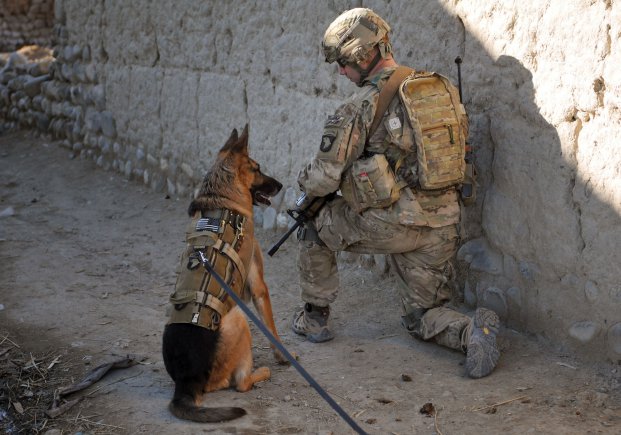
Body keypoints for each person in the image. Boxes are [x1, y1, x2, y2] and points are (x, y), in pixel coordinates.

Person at [291, 7, 500, 378]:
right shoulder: (441, 90)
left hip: (393, 225)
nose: (340, 71)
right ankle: (471, 332)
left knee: (313, 221)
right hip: (445, 225)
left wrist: (303, 186)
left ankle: (315, 320)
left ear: (361, 54)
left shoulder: (358, 107)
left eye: (342, 62)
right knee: (423, 316)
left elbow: (324, 178)